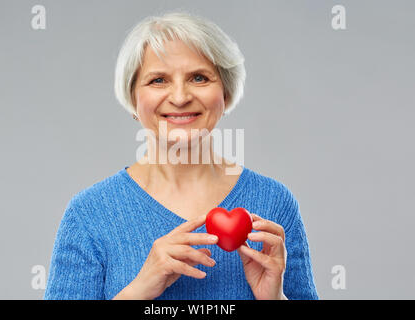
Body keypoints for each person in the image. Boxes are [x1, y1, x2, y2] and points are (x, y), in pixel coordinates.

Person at [44, 11, 318, 300]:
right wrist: (139, 290)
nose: (179, 97)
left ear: (225, 93)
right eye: (158, 80)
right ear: (134, 99)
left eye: (199, 78)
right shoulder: (89, 214)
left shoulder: (274, 202)